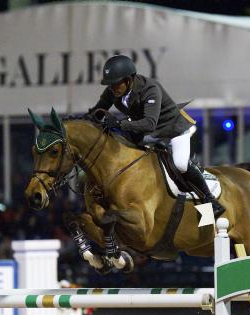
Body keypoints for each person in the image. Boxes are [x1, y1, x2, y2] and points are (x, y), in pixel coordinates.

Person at [88, 54, 225, 218]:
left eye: (116, 84)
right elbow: (97, 112)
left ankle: (210, 199)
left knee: (180, 164)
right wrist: (78, 121)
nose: (112, 88)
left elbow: (149, 123)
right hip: (148, 134)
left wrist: (119, 124)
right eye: (110, 84)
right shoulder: (114, 91)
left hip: (172, 131)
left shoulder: (150, 89)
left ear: (128, 80)